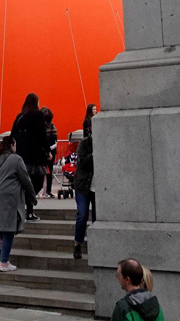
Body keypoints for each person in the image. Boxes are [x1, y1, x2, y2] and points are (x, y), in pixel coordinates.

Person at [0, 135, 35, 273]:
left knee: (2, 222)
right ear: (12, 145)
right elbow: (26, 179)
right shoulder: (16, 159)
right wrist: (32, 197)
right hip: (9, 196)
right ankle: (4, 262)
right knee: (9, 229)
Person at [10, 93, 49, 214]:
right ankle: (30, 206)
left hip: (21, 155)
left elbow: (13, 134)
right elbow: (42, 134)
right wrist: (47, 150)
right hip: (35, 155)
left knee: (25, 182)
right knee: (36, 182)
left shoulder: (20, 116)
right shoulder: (38, 115)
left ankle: (26, 207)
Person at [71, 106, 96, 260]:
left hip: (97, 186)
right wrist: (95, 154)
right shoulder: (84, 144)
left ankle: (95, 244)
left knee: (97, 217)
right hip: (82, 185)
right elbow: (81, 162)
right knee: (82, 214)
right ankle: (77, 244)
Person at [42, 108, 59, 198]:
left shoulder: (41, 126)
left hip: (45, 150)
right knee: (49, 171)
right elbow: (55, 138)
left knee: (44, 172)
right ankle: (47, 190)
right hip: (50, 150)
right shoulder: (52, 125)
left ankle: (45, 191)